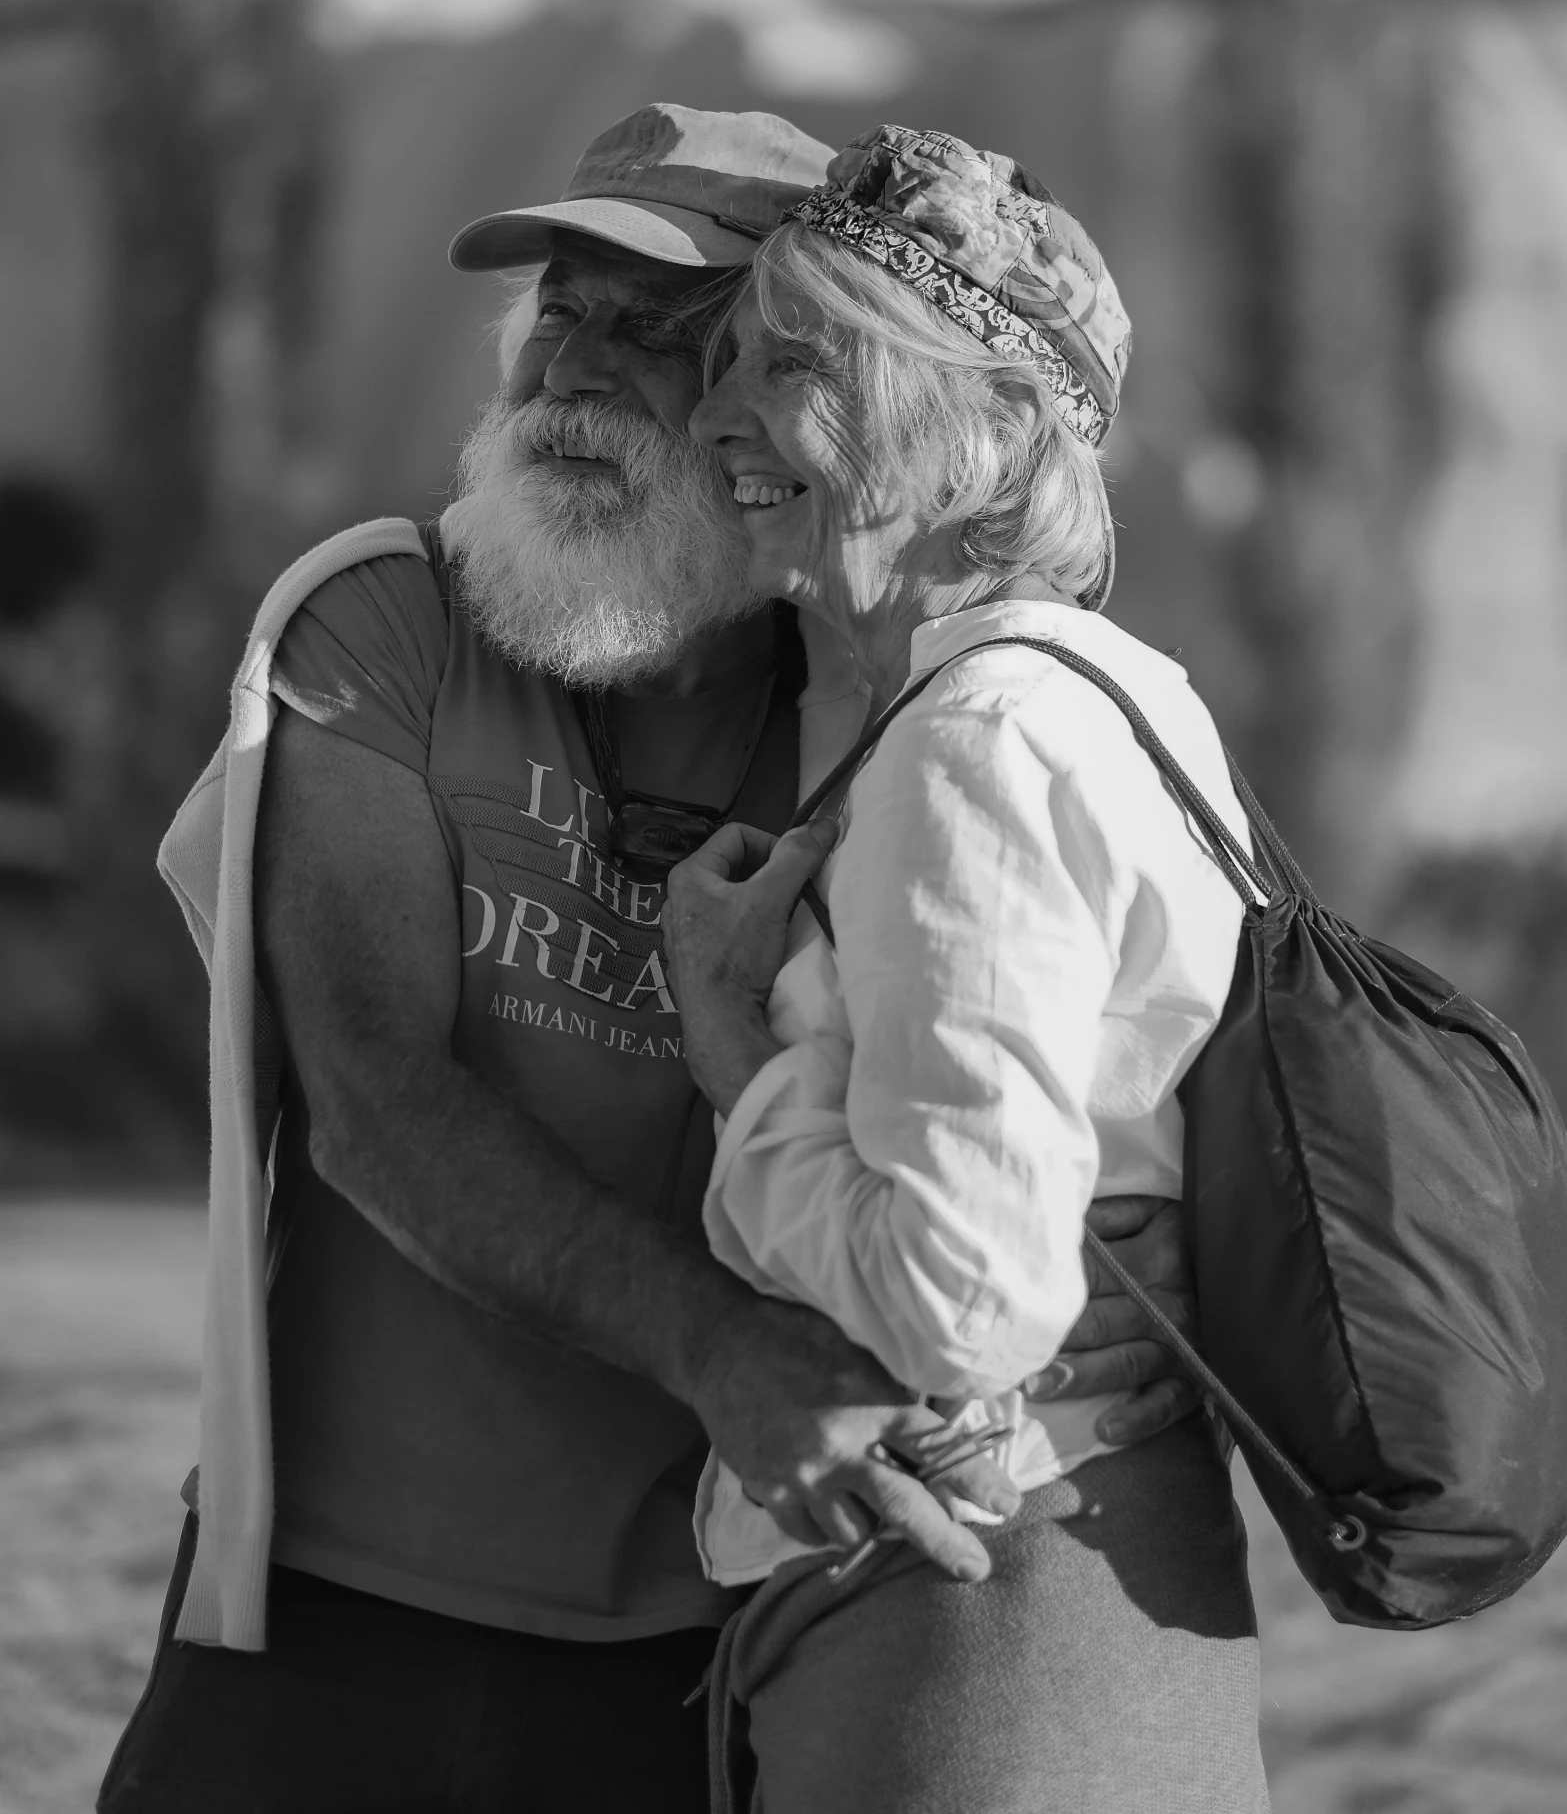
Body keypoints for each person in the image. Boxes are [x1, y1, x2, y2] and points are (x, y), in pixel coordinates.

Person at [100, 106, 1202, 1814]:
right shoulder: (377, 621)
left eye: (665, 329)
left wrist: (1158, 1288)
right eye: (564, 309)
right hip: (320, 1605)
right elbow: (374, 1099)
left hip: (707, 1644)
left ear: (793, 391)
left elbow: (1088, 1070)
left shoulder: (891, 718)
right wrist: (722, 1352)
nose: (579, 364)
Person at [664, 124, 1268, 1812]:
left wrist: (734, 1049)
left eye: (795, 362)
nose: (716, 414)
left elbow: (962, 1297)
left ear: (989, 429)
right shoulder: (1097, 696)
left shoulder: (980, 743)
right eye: (722, 363)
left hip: (979, 1618)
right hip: (1036, 1571)